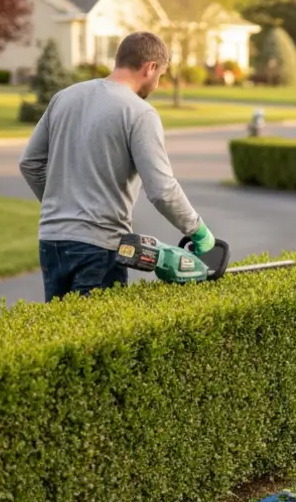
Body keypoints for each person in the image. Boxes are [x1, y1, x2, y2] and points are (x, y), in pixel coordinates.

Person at [19, 31, 214, 302]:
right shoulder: (139, 112)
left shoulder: (65, 97)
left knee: (60, 336)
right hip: (100, 246)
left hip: (52, 240)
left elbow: (30, 163)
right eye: (161, 76)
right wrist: (197, 230)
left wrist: (63, 206)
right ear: (150, 67)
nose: (158, 84)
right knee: (94, 341)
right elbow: (161, 190)